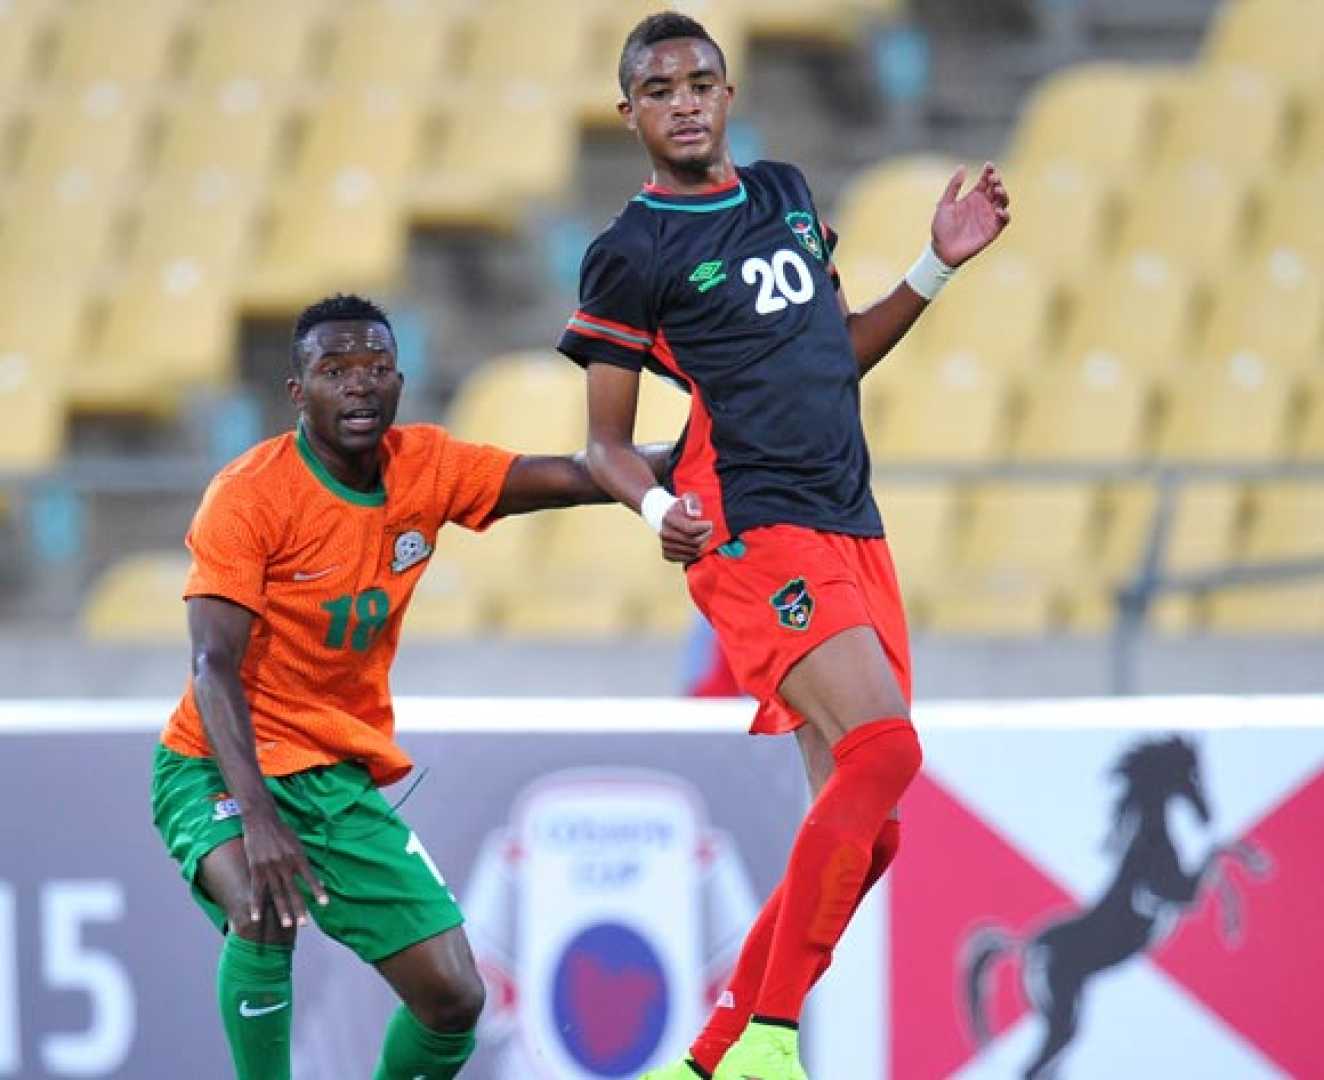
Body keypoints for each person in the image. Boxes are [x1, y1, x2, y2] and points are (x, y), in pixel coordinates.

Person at [558, 14, 1011, 1080]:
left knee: (874, 828)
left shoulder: (785, 195)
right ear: (629, 113)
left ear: (727, 94)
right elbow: (605, 446)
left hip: (850, 523)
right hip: (751, 527)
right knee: (885, 752)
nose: (683, 101)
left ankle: (707, 1059)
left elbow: (831, 355)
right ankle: (767, 1039)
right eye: (659, 88)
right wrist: (651, 512)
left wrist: (934, 268)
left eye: (699, 81)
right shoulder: (630, 252)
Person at [150, 293, 687, 1080]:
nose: (358, 384)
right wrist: (259, 819)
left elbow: (575, 476)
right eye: (335, 370)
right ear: (298, 391)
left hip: (330, 775)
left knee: (454, 999)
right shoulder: (250, 494)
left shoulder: (425, 468)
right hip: (218, 766)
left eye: (375, 367)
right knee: (262, 911)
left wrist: (692, 453)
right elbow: (212, 665)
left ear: (399, 382)